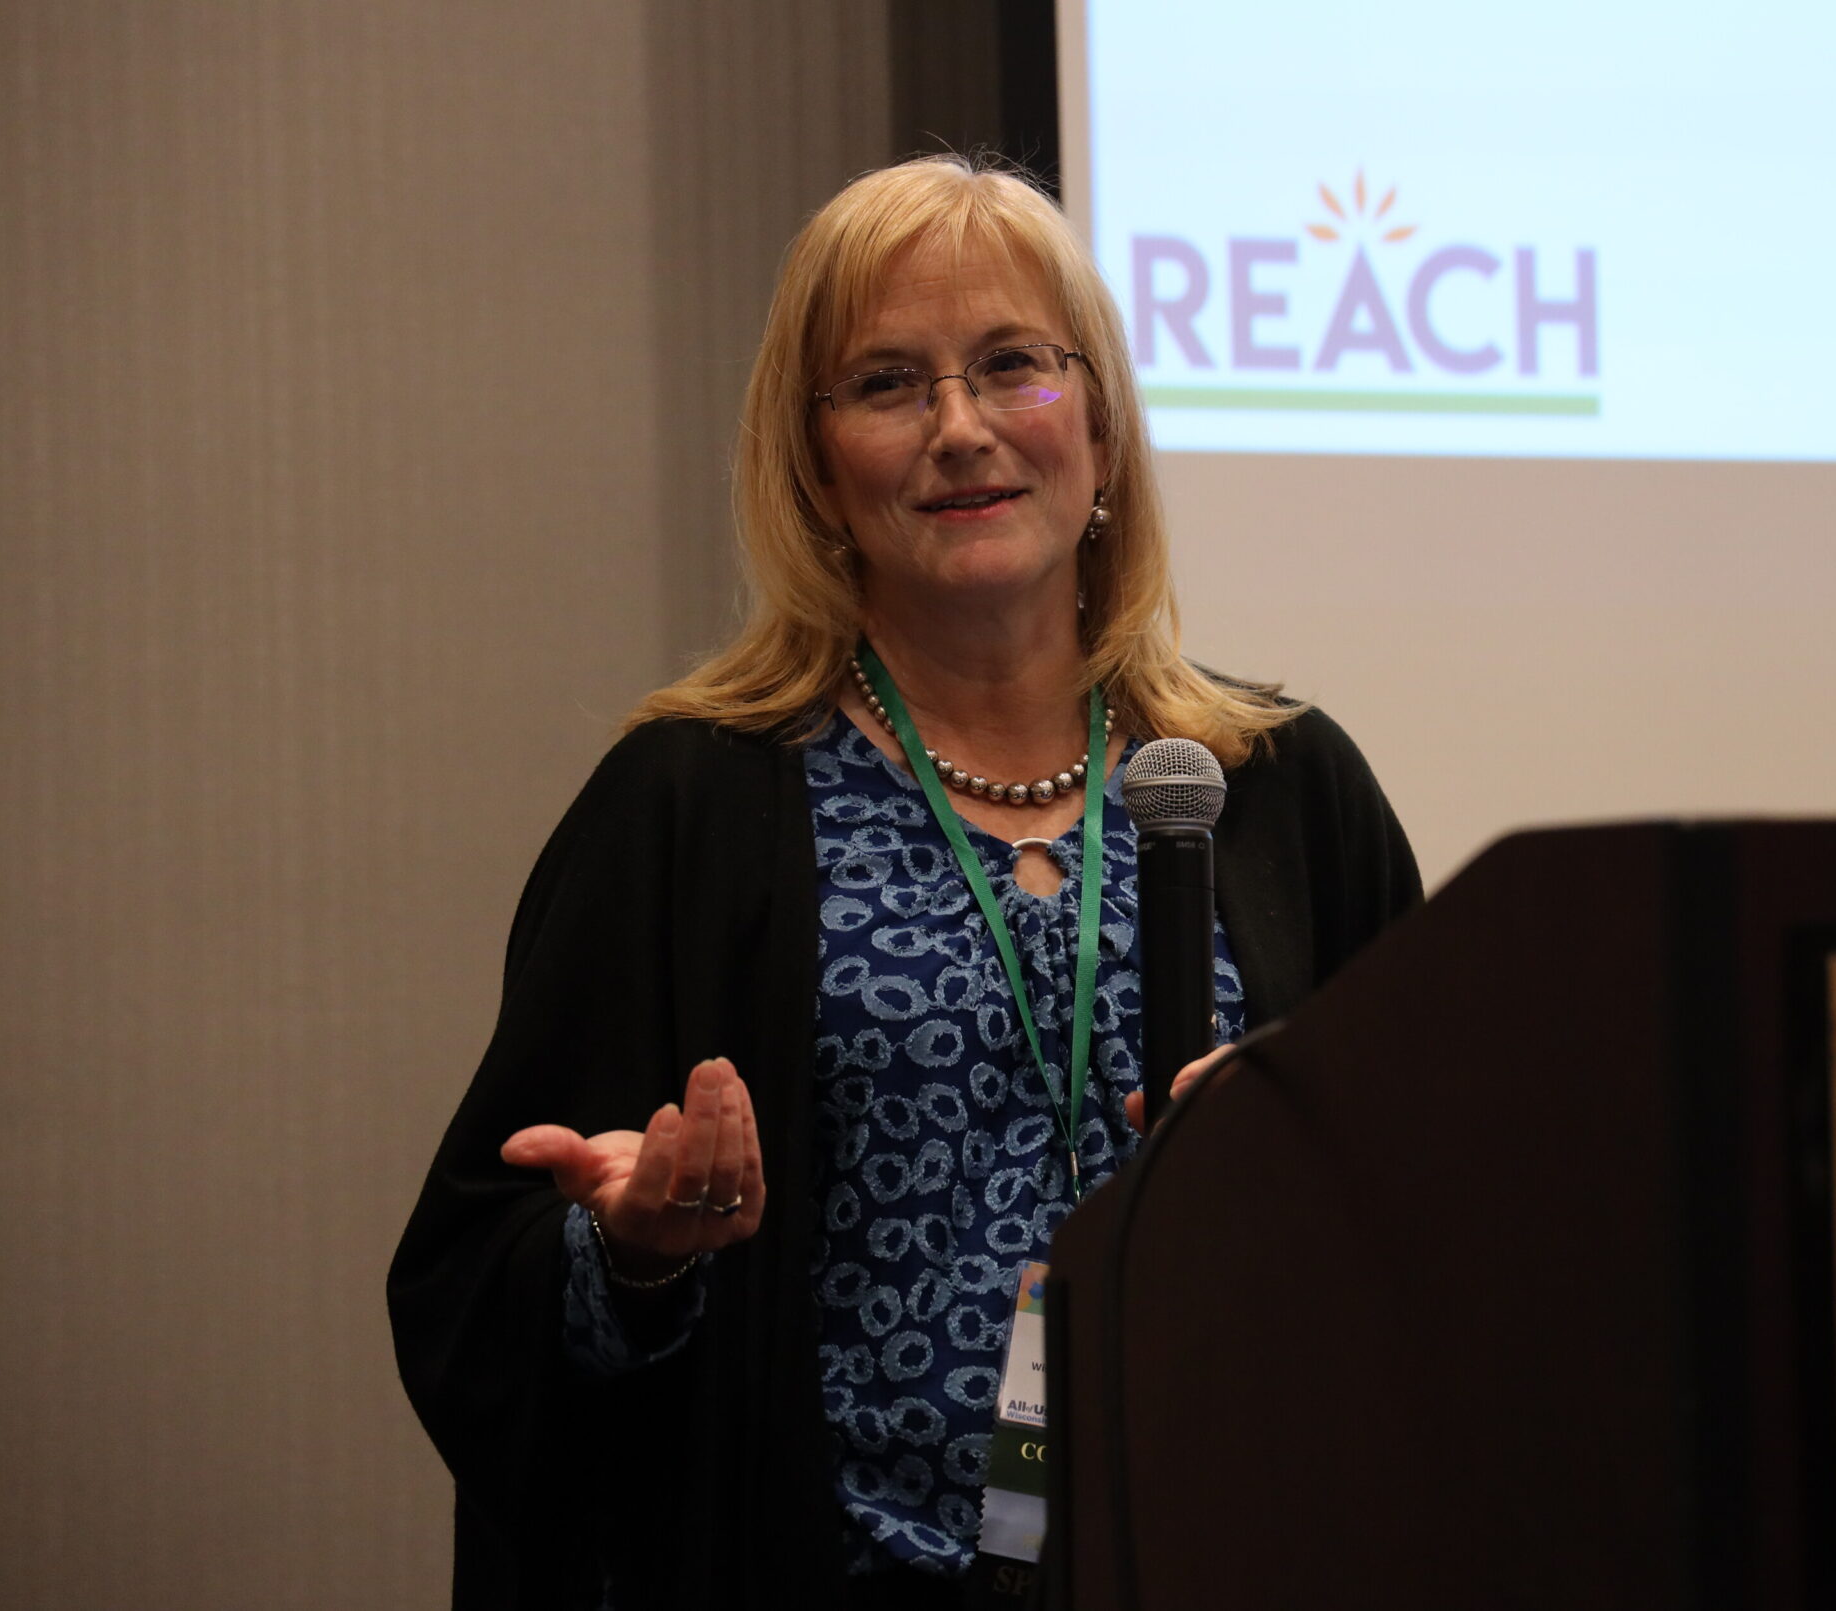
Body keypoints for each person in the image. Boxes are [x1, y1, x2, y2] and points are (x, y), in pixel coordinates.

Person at [387, 156, 1420, 1611]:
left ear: (1104, 432)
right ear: (814, 468)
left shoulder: (1278, 791)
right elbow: (470, 1289)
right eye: (887, 384)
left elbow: (1435, 1234)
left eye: (1014, 366)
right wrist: (630, 1256)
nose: (961, 429)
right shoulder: (689, 805)